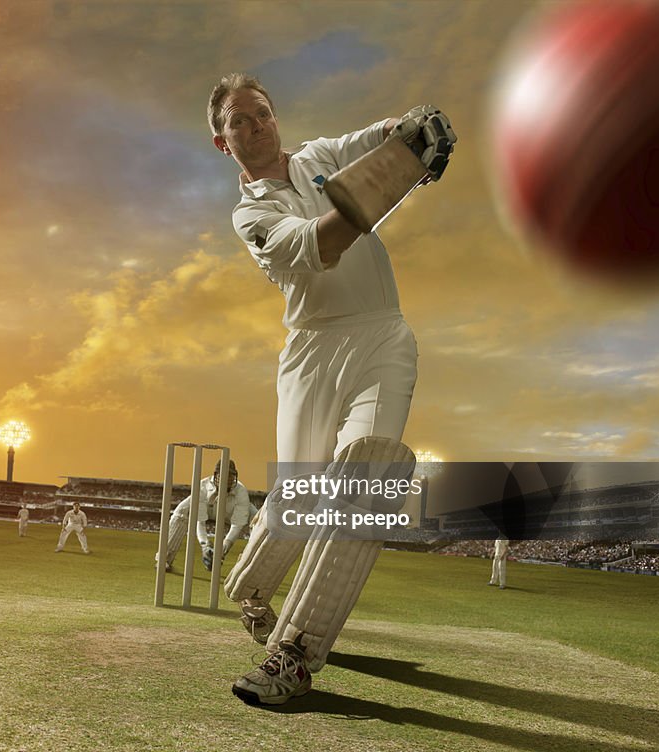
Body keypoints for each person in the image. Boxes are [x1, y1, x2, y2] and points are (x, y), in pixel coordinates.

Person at [207, 73, 454, 705]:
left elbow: (378, 139)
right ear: (221, 141)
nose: (254, 127)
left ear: (275, 117)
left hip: (381, 336)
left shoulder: (318, 156)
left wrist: (413, 130)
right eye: (239, 121)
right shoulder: (251, 214)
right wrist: (387, 182)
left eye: (261, 114)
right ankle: (251, 589)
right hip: (312, 353)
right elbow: (320, 245)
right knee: (300, 494)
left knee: (368, 472)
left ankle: (294, 653)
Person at [156, 458, 254, 572]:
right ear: (216, 475)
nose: (227, 479)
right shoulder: (203, 486)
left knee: (258, 520)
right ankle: (164, 559)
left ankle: (252, 570)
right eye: (223, 475)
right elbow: (199, 520)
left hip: (229, 513)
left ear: (234, 477)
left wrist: (223, 549)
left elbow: (237, 525)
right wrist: (205, 545)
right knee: (181, 511)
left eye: (230, 476)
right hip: (208, 509)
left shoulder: (241, 492)